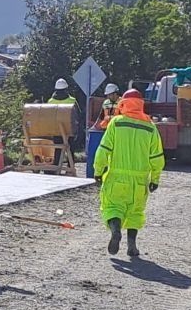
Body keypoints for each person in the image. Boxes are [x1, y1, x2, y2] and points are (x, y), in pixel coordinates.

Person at [93, 89, 164, 257]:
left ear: (123, 104)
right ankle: (132, 245)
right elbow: (157, 157)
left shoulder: (116, 123)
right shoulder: (150, 127)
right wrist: (155, 179)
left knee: (112, 207)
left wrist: (98, 170)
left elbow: (103, 150)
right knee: (135, 212)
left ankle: (115, 230)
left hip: (116, 177)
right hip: (139, 180)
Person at [47, 78, 80, 171]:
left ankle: (56, 166)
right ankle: (70, 167)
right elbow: (77, 116)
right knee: (70, 149)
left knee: (58, 149)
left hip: (56, 130)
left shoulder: (50, 101)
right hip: (69, 130)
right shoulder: (72, 100)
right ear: (66, 89)